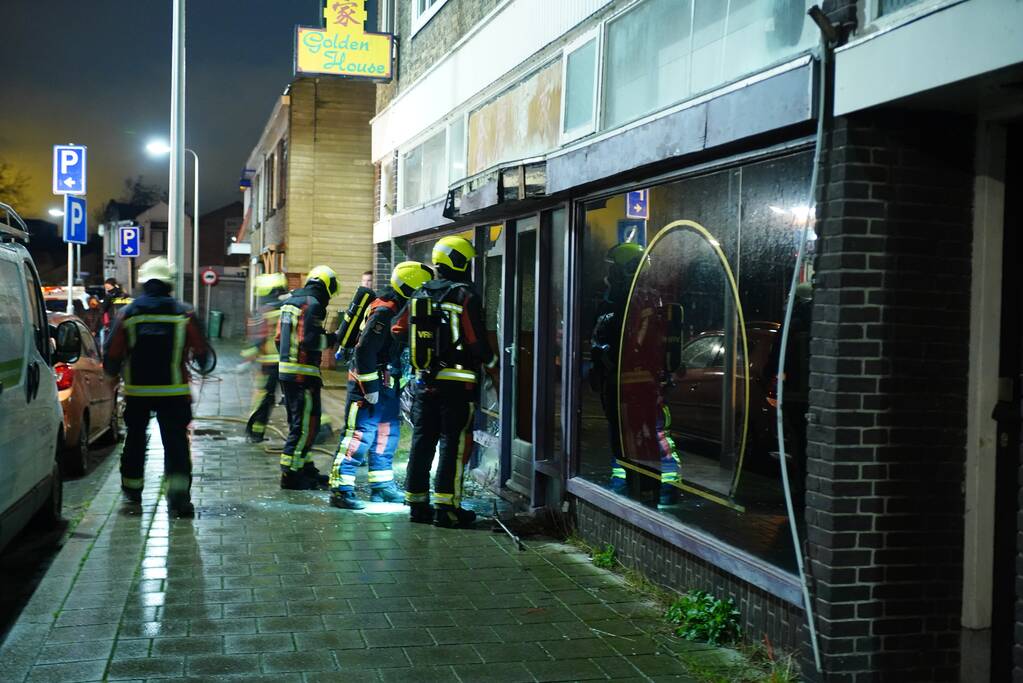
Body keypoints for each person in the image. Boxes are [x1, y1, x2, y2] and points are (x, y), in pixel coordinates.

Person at [396, 236, 497, 528]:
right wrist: (493, 366)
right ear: (461, 261)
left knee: (422, 442)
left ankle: (417, 505)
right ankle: (447, 509)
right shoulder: (465, 295)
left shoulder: (419, 292)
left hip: (423, 383)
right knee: (452, 444)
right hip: (457, 384)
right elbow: (476, 342)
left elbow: (397, 328)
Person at [103, 257, 211, 517]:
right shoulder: (184, 313)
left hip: (137, 392)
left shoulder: (127, 313)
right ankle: (178, 501)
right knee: (176, 445)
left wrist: (112, 377)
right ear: (169, 284)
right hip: (174, 393)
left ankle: (132, 498)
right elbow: (202, 352)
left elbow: (112, 354)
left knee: (135, 442)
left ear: (144, 282)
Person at [328, 261, 434, 510]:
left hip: (389, 386)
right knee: (358, 436)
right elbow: (364, 350)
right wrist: (370, 387)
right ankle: (341, 489)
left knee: (387, 435)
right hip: (369, 387)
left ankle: (382, 486)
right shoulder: (384, 311)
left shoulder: (397, 307)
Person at [590, 242, 680, 507]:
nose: (609, 274)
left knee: (640, 443)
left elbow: (637, 345)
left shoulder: (642, 300)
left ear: (628, 270)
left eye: (614, 269)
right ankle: (635, 489)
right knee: (623, 444)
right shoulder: (614, 300)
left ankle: (646, 494)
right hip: (617, 384)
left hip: (634, 385)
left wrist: (608, 354)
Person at [276, 265, 339, 490]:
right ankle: (291, 474)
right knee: (304, 425)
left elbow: (277, 339)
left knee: (302, 423)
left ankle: (304, 467)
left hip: (288, 372)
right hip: (303, 375)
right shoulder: (312, 305)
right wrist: (333, 339)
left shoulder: (290, 303)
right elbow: (311, 341)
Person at [242, 273, 289, 443]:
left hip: (268, 365)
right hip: (288, 363)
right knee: (294, 398)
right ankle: (307, 431)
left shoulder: (262, 312)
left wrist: (247, 359)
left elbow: (257, 339)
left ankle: (255, 432)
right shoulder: (288, 308)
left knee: (264, 399)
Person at [101, 277, 132, 346]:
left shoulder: (109, 296)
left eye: (107, 287)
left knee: (111, 341)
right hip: (126, 319)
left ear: (111, 286)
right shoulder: (126, 295)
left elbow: (103, 309)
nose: (106, 289)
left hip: (113, 320)